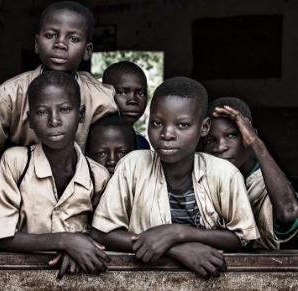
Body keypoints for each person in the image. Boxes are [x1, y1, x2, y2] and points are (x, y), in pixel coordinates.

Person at [0, 1, 117, 265]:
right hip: (22, 207)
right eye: (51, 35)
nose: (61, 44)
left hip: (79, 205)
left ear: (87, 51)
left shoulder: (102, 99)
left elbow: (128, 140)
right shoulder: (9, 94)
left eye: (72, 38)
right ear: (37, 43)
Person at [90, 77, 260, 279]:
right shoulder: (132, 165)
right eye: (157, 123)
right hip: (144, 281)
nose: (167, 134)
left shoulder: (224, 173)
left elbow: (243, 238)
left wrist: (177, 232)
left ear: (204, 127)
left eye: (182, 125)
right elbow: (101, 233)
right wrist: (175, 249)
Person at [0, 71, 111, 280]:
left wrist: (78, 247)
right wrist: (66, 241)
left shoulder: (97, 174)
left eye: (64, 110)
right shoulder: (16, 162)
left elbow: (103, 235)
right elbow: (3, 237)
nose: (54, 121)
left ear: (81, 115)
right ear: (30, 120)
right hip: (21, 279)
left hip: (81, 279)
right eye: (42, 112)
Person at [202, 97, 298, 249]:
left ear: (249, 136)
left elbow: (289, 212)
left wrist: (256, 144)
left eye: (232, 135)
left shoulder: (265, 182)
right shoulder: (202, 179)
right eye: (209, 141)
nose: (219, 147)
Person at [102, 61, 150, 150]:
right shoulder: (93, 139)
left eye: (141, 93)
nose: (133, 101)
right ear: (105, 94)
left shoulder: (142, 143)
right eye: (122, 92)